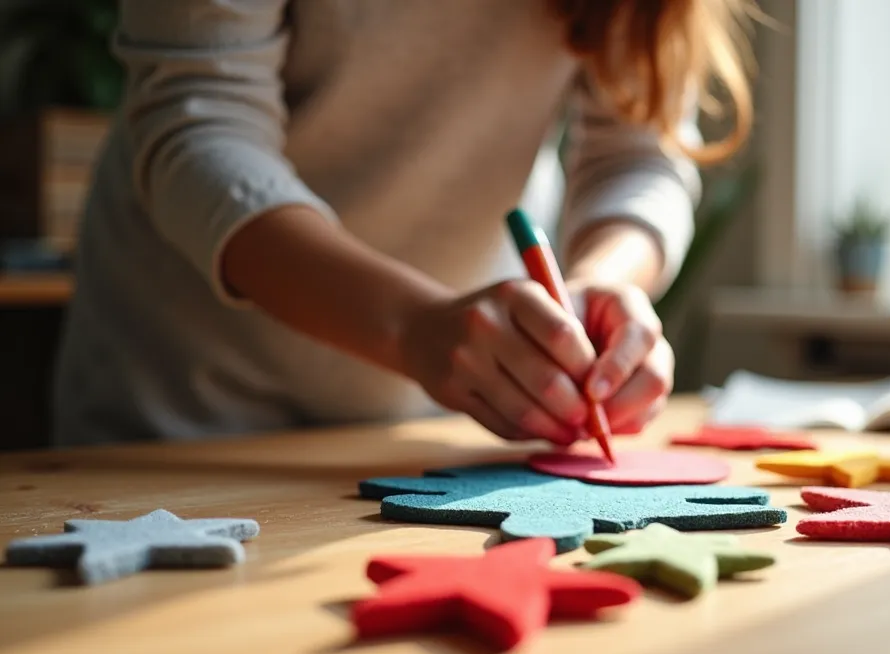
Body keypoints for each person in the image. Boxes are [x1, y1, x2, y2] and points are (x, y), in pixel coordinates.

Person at [52, 0, 755, 447]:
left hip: (425, 425)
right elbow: (197, 128)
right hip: (185, 400)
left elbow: (639, 154)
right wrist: (414, 327)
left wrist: (601, 284)